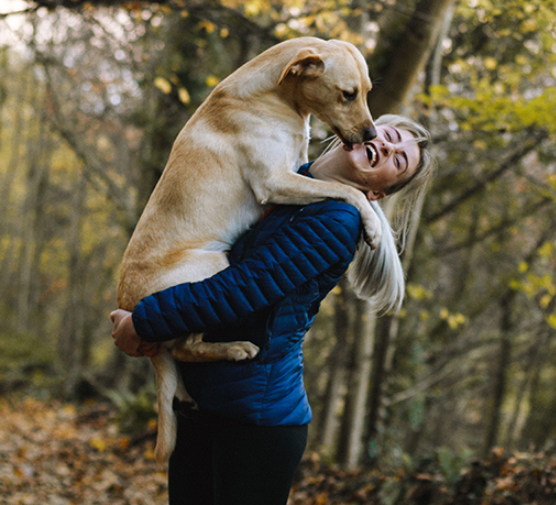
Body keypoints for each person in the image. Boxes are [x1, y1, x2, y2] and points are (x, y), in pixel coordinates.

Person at [110, 114, 434, 505]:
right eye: (391, 136)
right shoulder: (282, 182)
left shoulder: (337, 220)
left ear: (378, 194)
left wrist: (146, 322)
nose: (387, 147)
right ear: (365, 128)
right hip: (199, 403)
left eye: (397, 161)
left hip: (257, 422)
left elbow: (242, 289)